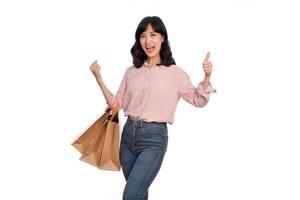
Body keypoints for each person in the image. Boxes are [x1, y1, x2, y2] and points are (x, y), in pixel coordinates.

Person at [90, 16, 216, 200]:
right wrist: (99, 79)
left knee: (131, 195)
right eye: (143, 35)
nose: (148, 41)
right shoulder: (131, 72)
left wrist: (206, 76)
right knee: (139, 194)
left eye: (153, 34)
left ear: (162, 38)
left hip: (153, 140)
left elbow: (198, 100)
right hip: (127, 138)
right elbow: (116, 105)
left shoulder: (175, 73)